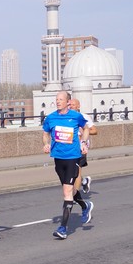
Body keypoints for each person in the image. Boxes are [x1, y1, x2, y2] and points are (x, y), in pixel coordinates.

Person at [42, 91, 92, 239]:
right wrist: (46, 144)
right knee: (69, 190)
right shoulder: (51, 118)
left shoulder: (76, 116)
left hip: (72, 157)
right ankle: (85, 206)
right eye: (56, 99)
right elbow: (45, 133)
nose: (58, 102)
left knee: (67, 191)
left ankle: (63, 228)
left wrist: (83, 142)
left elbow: (87, 128)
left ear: (68, 102)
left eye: (61, 99)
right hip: (58, 157)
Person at [67, 98, 98, 199]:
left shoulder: (84, 117)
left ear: (78, 106)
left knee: (77, 171)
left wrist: (83, 132)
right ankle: (84, 181)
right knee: (69, 171)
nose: (70, 107)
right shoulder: (66, 117)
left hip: (81, 147)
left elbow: (94, 131)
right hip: (68, 147)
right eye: (69, 105)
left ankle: (75, 197)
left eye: (73, 105)